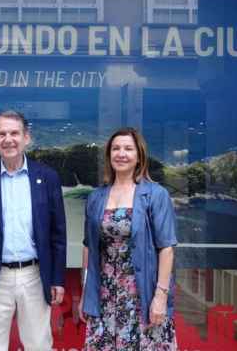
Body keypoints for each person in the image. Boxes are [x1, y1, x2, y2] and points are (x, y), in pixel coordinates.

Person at [0, 110, 67, 351]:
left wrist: (57, 278)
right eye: (1, 134)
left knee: (38, 344)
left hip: (34, 275)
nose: (8, 139)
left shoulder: (47, 177)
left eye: (14, 133)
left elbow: (58, 235)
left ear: (26, 138)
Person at [78, 127, 178, 350]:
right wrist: (86, 292)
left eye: (128, 148)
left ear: (139, 156)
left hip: (142, 294)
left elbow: (167, 248)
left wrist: (161, 297)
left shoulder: (155, 194)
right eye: (116, 148)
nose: (121, 153)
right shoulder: (96, 197)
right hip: (104, 294)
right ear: (109, 155)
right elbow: (88, 248)